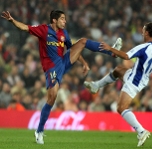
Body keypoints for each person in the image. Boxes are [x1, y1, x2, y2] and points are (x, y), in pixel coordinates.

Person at [1, 10, 122, 144]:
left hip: (63, 62)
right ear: (54, 20)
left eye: (65, 19)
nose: (65, 21)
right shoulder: (44, 30)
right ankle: (39, 130)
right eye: (62, 19)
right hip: (51, 68)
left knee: (82, 42)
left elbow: (73, 49)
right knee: (52, 98)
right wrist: (12, 21)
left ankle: (111, 52)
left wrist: (84, 63)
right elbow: (25, 27)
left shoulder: (64, 34)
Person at [84, 22, 152, 147]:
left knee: (121, 108)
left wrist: (110, 48)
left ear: (147, 33)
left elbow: (126, 56)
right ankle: (96, 85)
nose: (142, 32)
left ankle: (141, 131)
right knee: (118, 70)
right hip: (140, 77)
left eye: (143, 30)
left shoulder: (144, 47)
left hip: (133, 80)